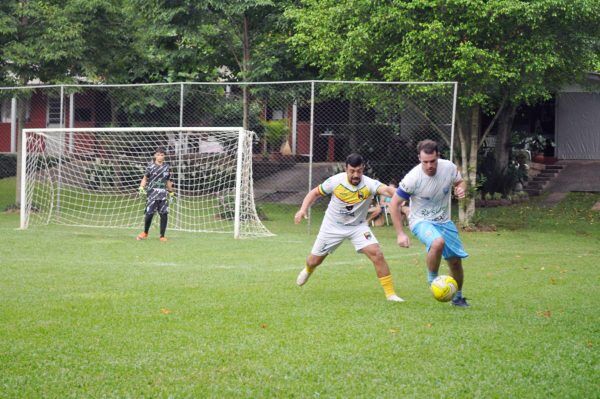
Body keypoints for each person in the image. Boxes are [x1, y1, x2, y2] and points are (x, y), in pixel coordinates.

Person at [294, 153, 404, 302]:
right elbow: (314, 193)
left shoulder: (369, 184)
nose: (355, 175)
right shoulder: (335, 182)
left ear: (363, 169)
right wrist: (302, 209)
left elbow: (388, 191)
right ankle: (308, 270)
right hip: (332, 226)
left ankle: (391, 294)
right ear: (346, 169)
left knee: (377, 253)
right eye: (352, 171)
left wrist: (402, 195)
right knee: (314, 261)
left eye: (359, 171)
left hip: (357, 227)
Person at [388, 139, 470, 307]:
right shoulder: (413, 178)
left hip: (444, 221)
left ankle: (458, 297)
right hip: (420, 220)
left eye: (432, 161)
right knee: (437, 242)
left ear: (438, 156)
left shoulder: (449, 168)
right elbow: (394, 204)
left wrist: (461, 188)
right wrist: (400, 233)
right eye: (425, 162)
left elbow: (460, 181)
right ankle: (433, 281)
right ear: (419, 158)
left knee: (455, 261)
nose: (429, 165)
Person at [136, 147, 175, 242]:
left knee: (164, 214)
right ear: (155, 156)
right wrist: (141, 187)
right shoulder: (150, 167)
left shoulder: (167, 167)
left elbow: (168, 181)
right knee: (149, 214)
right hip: (152, 194)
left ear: (164, 156)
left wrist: (171, 192)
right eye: (158, 155)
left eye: (162, 155)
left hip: (162, 195)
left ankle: (162, 236)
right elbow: (145, 178)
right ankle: (145, 232)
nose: (160, 157)